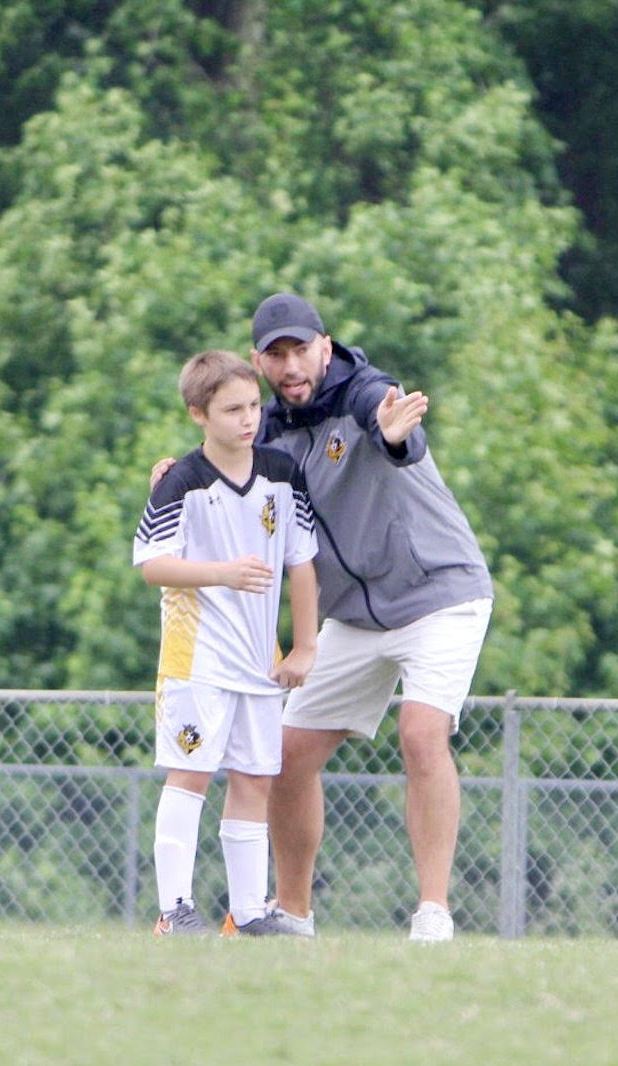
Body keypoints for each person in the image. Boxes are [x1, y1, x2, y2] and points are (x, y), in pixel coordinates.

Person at [152, 294, 492, 941]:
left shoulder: (364, 391)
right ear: (258, 362)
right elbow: (222, 480)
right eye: (275, 354)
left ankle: (433, 912)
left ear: (325, 348)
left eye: (301, 349)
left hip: (439, 594)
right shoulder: (266, 432)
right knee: (284, 756)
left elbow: (392, 428)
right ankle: (293, 915)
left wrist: (394, 434)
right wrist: (175, 484)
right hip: (354, 618)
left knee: (421, 734)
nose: (291, 365)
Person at [133, 349, 319, 937]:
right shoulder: (180, 480)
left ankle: (248, 913)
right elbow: (152, 565)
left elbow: (302, 561)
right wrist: (223, 573)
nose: (248, 419)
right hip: (198, 658)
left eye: (253, 406)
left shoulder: (283, 472)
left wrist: (305, 647)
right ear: (198, 414)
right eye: (232, 409)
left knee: (254, 779)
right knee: (190, 773)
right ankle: (174, 910)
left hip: (259, 662)